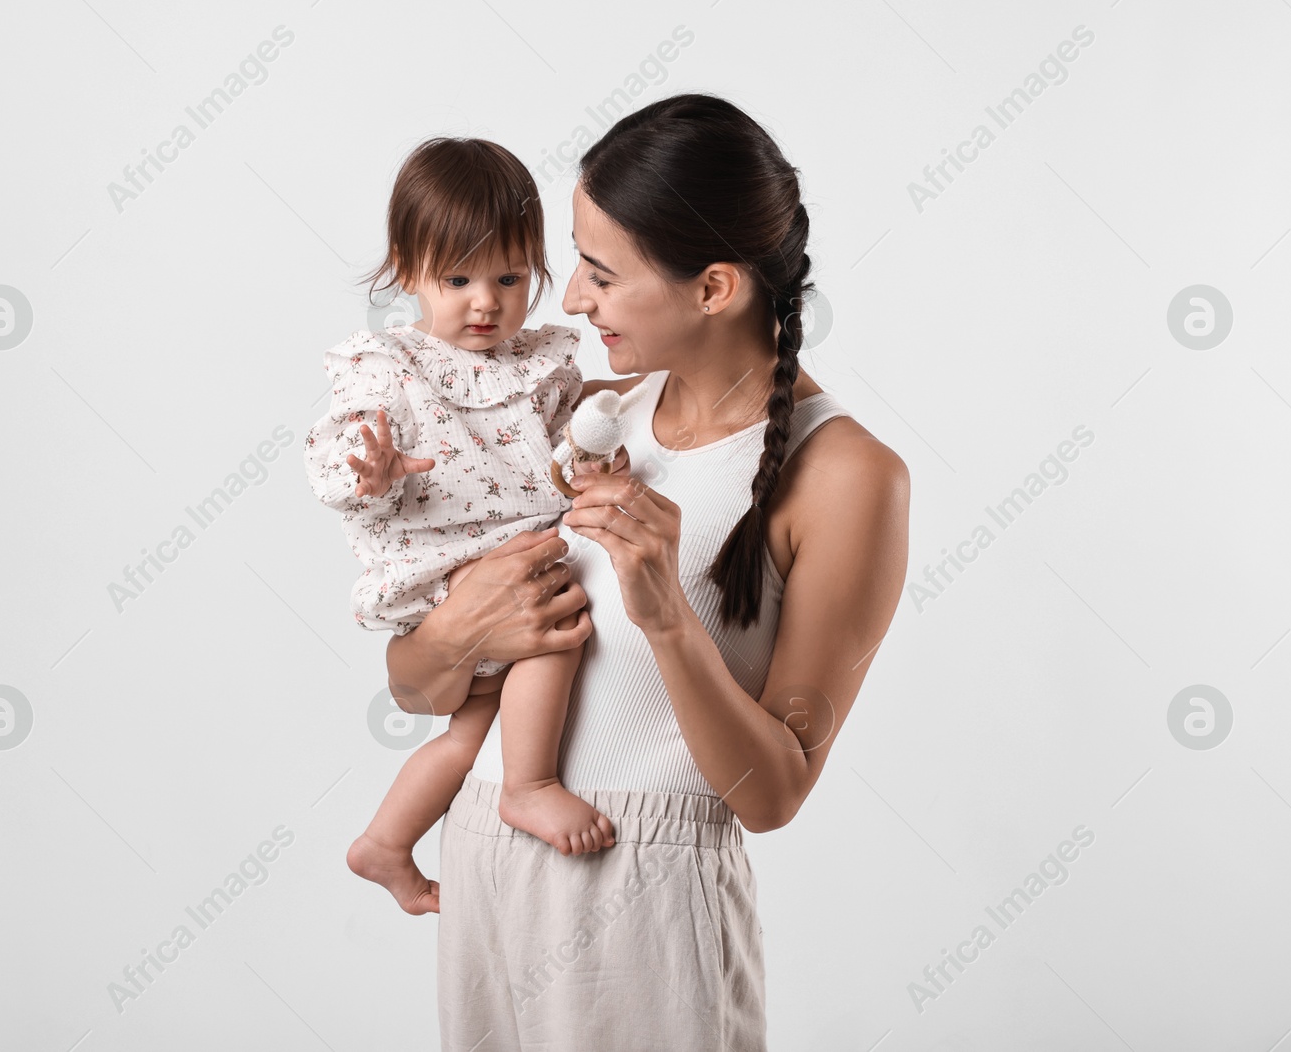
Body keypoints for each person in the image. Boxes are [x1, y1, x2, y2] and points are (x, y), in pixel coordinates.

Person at [383, 94, 911, 1050]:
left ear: (714, 287)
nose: (571, 301)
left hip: (640, 899)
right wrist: (461, 631)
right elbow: (418, 689)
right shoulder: (590, 415)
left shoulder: (847, 476)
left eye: (600, 272)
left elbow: (773, 792)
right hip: (486, 858)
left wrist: (668, 611)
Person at [304, 137, 625, 918]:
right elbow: (335, 452)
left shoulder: (541, 363)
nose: (485, 302)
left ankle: (384, 841)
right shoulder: (392, 368)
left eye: (509, 279)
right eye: (457, 279)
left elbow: (559, 452)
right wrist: (368, 471)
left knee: (468, 728)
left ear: (536, 274)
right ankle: (530, 784)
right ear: (407, 272)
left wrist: (584, 465)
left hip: (511, 551)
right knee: (560, 635)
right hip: (449, 566)